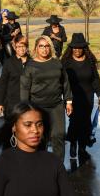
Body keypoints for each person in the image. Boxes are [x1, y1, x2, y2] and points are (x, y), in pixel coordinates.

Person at [21, 36, 72, 164]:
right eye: (41, 46)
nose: (44, 49)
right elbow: (24, 88)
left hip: (56, 105)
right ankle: (41, 166)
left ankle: (58, 167)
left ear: (50, 47)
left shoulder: (57, 63)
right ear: (36, 48)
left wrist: (69, 101)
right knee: (40, 138)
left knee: (58, 135)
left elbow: (65, 82)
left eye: (47, 46)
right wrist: (25, 109)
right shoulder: (30, 65)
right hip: (37, 106)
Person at [61, 33, 100, 164]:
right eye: (74, 48)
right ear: (71, 48)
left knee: (85, 123)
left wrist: (99, 94)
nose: (77, 50)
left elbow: (95, 79)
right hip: (71, 97)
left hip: (87, 97)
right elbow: (61, 81)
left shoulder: (89, 61)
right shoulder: (66, 62)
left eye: (80, 48)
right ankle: (73, 145)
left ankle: (82, 148)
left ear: (84, 48)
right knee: (74, 122)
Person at [0, 35, 30, 119]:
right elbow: (2, 84)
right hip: (12, 103)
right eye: (18, 46)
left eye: (23, 46)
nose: (21, 49)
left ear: (27, 47)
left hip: (29, 103)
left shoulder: (33, 62)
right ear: (14, 47)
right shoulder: (9, 63)